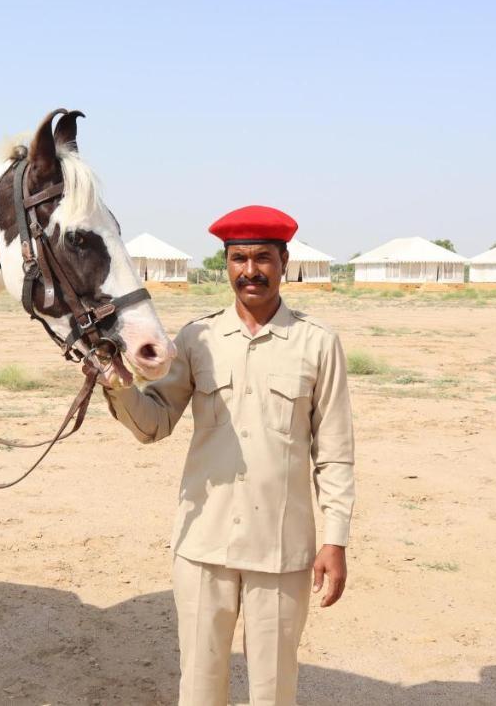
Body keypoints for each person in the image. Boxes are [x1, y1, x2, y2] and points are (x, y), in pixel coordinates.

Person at [99, 205, 355, 706]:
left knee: (274, 689)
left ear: (285, 261)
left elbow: (336, 452)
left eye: (263, 257)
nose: (250, 271)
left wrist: (336, 539)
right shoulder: (198, 339)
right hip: (203, 548)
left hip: (281, 550)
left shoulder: (317, 343)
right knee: (199, 686)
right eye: (239, 259)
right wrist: (119, 386)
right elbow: (154, 424)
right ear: (226, 264)